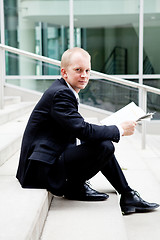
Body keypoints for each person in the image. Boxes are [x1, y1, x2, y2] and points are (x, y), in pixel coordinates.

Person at [16, 47, 159, 215]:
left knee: (99, 142)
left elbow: (76, 128)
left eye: (87, 71)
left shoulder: (63, 90)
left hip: (49, 157)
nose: (84, 75)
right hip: (40, 170)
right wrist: (119, 129)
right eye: (78, 70)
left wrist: (108, 129)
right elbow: (82, 130)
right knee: (105, 146)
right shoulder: (61, 94)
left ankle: (127, 195)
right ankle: (77, 187)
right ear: (64, 72)